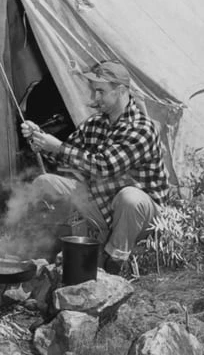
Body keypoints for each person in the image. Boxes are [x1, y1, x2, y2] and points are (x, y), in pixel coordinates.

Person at [20, 60, 168, 275]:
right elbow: (66, 158)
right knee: (45, 182)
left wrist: (59, 147)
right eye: (93, 91)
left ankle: (114, 262)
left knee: (129, 197)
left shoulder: (141, 129)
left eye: (100, 91)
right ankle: (39, 247)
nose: (94, 98)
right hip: (100, 204)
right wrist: (41, 141)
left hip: (140, 218)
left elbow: (104, 167)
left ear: (120, 91)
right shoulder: (95, 123)